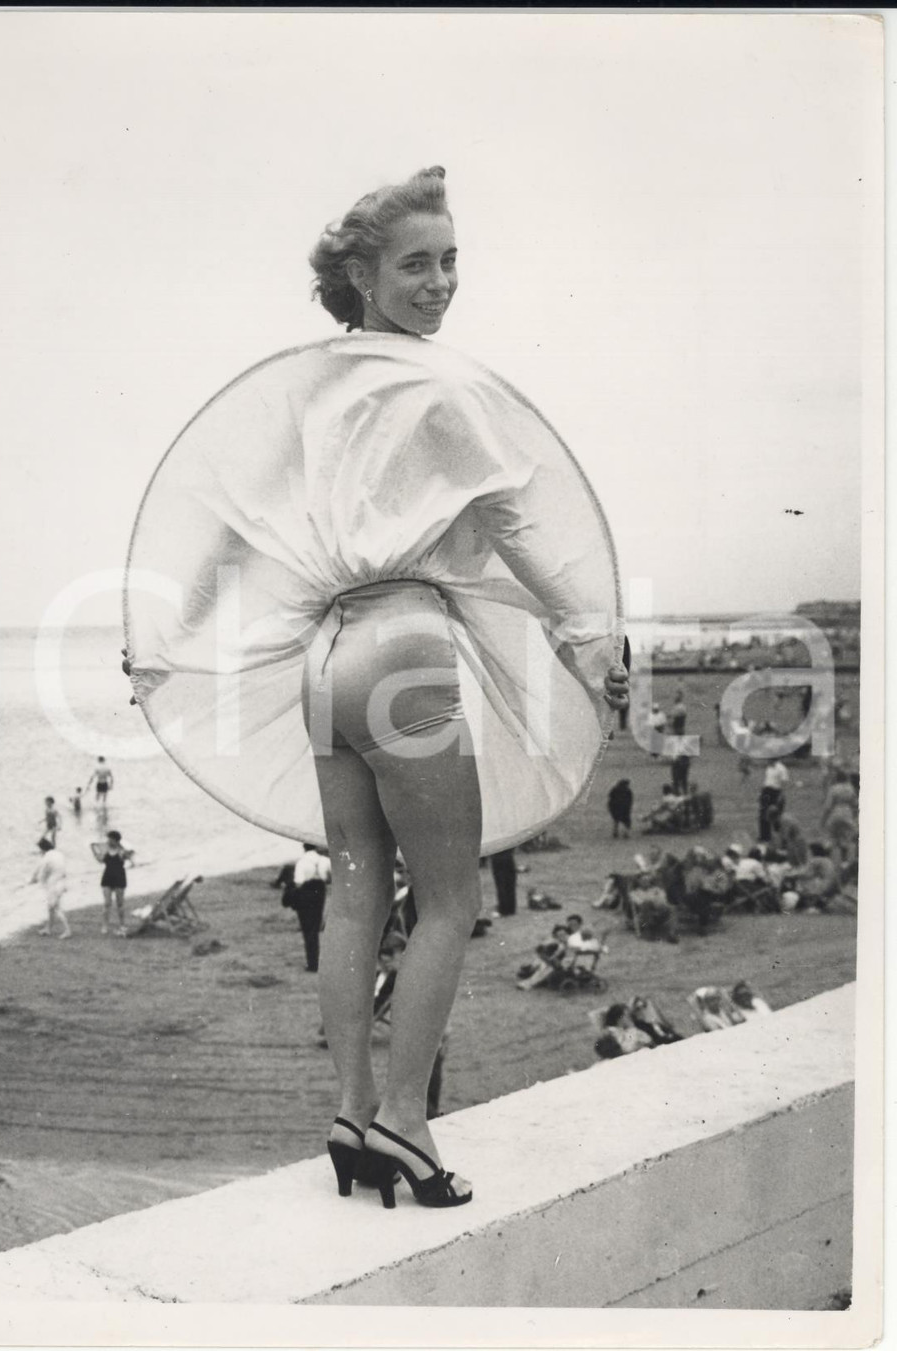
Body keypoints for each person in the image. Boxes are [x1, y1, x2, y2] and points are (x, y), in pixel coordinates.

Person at [123, 165, 629, 1209]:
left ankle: (350, 1113)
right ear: (360, 272)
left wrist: (165, 642)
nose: (440, 283)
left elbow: (230, 532)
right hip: (404, 646)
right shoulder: (440, 390)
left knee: (355, 885)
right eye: (416, 263)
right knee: (446, 899)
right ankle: (405, 1121)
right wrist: (590, 638)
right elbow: (516, 527)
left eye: (450, 261)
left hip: (324, 656)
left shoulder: (310, 390)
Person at [290, 842, 332, 972]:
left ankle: (312, 962)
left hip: (306, 892)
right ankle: (316, 961)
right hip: (319, 891)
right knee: (315, 925)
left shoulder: (302, 862)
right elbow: (329, 879)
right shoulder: (325, 860)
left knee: (307, 929)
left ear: (304, 848)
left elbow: (298, 883)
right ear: (316, 847)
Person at [91, 830, 134, 935]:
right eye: (108, 839)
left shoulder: (121, 851)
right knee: (107, 903)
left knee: (120, 903)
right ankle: (105, 925)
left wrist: (126, 853)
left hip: (119, 877)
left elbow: (130, 858)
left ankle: (122, 924)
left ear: (115, 840)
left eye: (110, 839)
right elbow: (101, 860)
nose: (108, 841)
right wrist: (94, 852)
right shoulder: (106, 850)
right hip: (107, 877)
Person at [31, 838, 72, 939]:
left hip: (54, 885)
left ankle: (67, 930)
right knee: (50, 907)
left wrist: (33, 880)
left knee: (55, 907)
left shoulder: (46, 858)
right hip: (62, 882)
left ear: (43, 849)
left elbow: (41, 872)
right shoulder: (58, 854)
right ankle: (48, 929)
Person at [758, 759, 789, 842]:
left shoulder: (781, 768)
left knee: (776, 815)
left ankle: (780, 836)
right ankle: (764, 836)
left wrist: (781, 796)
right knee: (763, 814)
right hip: (766, 791)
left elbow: (784, 784)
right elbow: (767, 781)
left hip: (775, 792)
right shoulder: (768, 768)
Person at [488, 848, 518, 917]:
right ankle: (511, 908)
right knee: (510, 882)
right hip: (509, 856)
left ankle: (503, 909)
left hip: (497, 857)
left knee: (501, 883)